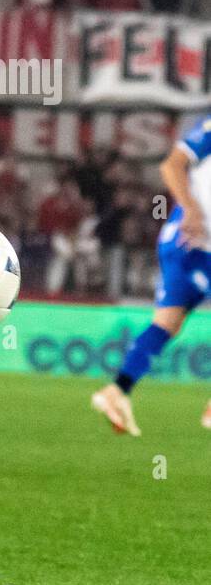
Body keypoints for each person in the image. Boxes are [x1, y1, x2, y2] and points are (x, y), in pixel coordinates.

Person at [93, 118, 211, 436]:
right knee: (167, 321)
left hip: (189, 244)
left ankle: (117, 391)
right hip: (192, 241)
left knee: (166, 323)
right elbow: (171, 166)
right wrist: (191, 209)